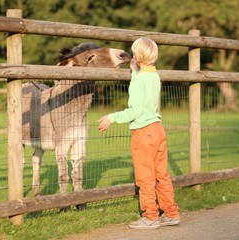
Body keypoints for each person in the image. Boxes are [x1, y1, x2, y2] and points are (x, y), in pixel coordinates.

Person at [98, 37, 180, 230]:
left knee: (145, 177)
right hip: (158, 130)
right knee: (162, 175)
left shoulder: (138, 81)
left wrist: (112, 117)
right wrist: (136, 71)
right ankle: (171, 213)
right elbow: (144, 83)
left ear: (136, 56)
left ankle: (150, 216)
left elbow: (134, 111)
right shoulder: (154, 76)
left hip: (143, 132)